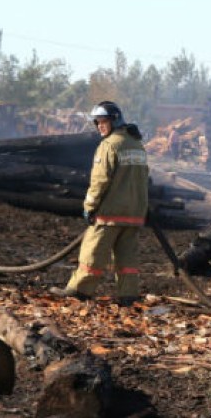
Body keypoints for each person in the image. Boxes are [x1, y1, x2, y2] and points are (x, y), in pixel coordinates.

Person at [51, 100, 150, 306]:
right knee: (127, 259)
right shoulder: (137, 145)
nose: (99, 126)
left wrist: (89, 206)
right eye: (97, 122)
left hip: (110, 213)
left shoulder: (109, 145)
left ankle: (79, 291)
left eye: (103, 121)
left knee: (92, 254)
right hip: (134, 213)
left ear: (115, 121)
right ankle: (128, 295)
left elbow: (99, 181)